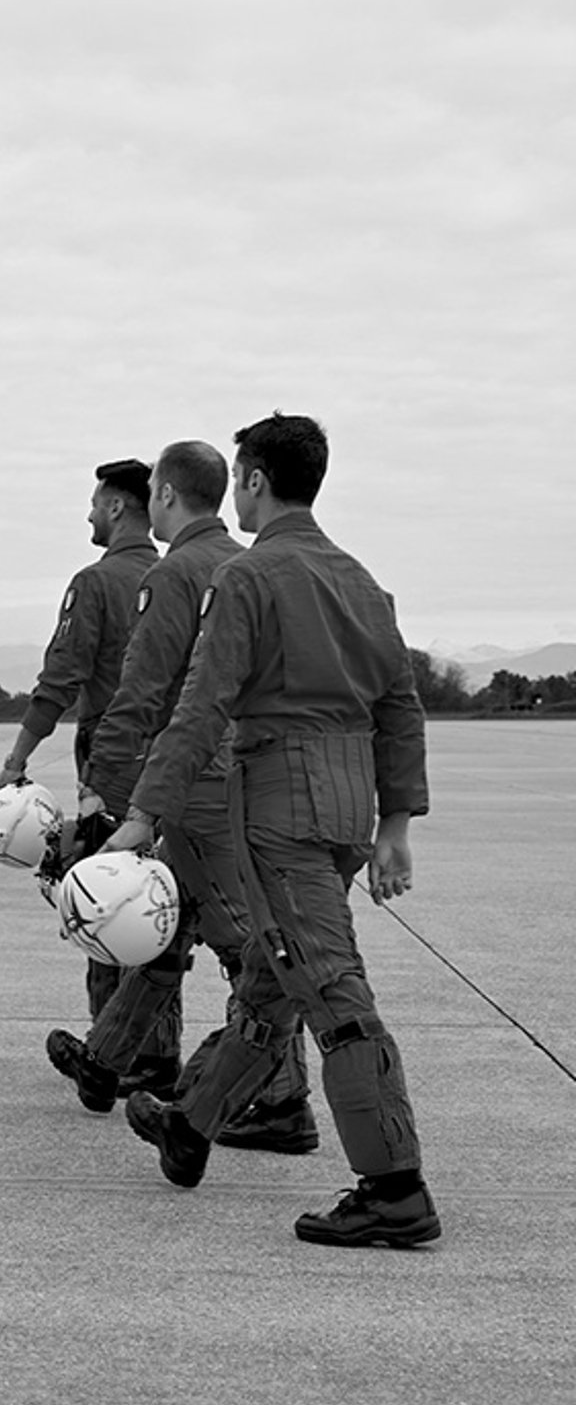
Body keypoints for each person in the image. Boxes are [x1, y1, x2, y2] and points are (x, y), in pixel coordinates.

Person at [104, 414, 437, 1248]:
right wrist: (394, 823)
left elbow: (202, 704)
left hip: (280, 801)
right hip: (347, 804)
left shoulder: (250, 578)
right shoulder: (363, 581)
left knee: (328, 986)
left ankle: (394, 1186)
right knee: (267, 976)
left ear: (252, 481)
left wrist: (143, 813)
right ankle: (192, 1128)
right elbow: (400, 705)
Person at [47, 440, 315, 1152]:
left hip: (195, 785)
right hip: (250, 777)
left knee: (242, 944)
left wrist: (106, 797)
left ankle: (281, 1097)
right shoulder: (250, 565)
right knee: (171, 925)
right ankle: (109, 1060)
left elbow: (141, 694)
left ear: (165, 496)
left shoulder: (176, 576)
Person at [0, 458, 171, 1083]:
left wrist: (16, 759)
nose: (90, 514)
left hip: (113, 752)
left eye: (96, 503)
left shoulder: (95, 583)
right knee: (160, 896)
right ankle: (157, 1050)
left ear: (119, 507)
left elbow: (61, 677)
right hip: (177, 756)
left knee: (101, 894)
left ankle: (116, 1053)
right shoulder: (176, 573)